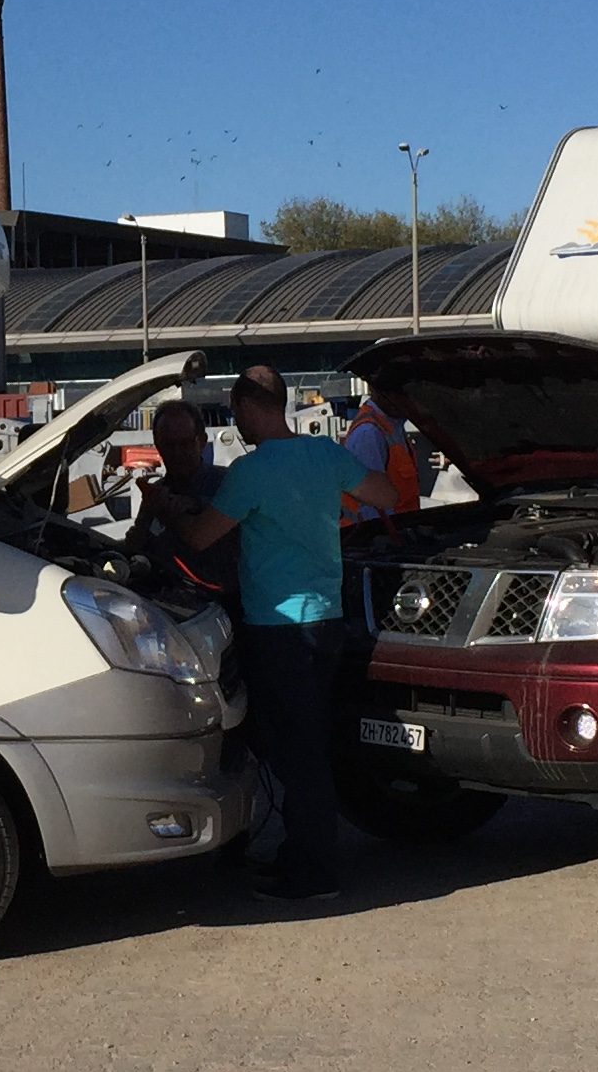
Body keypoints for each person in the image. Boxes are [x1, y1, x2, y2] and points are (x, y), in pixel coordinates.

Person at [142, 364, 398, 901]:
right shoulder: (325, 454)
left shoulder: (249, 471)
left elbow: (201, 536)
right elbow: (385, 493)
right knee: (308, 741)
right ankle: (297, 853)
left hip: (278, 628)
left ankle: (314, 872)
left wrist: (165, 508)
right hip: (327, 620)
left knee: (296, 752)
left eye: (235, 414)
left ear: (244, 407)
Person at [126, 399, 237, 602]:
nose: (177, 453)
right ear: (157, 445)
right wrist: (145, 519)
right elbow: (135, 551)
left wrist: (195, 506)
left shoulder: (228, 484)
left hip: (224, 600)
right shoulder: (157, 493)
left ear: (202, 441)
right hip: (170, 603)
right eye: (168, 445)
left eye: (185, 443)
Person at [341, 389, 426, 528]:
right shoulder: (368, 433)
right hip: (373, 536)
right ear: (378, 392)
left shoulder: (393, 426)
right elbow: (372, 510)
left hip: (403, 528)